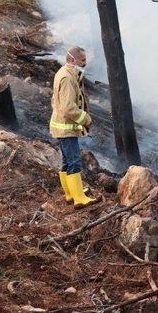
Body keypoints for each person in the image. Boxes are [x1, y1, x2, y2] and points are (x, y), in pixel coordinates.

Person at [49, 46, 98, 208]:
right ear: (72, 60)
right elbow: (69, 107)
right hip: (66, 128)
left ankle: (71, 194)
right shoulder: (68, 78)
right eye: (82, 60)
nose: (85, 64)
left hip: (61, 126)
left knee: (66, 161)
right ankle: (79, 198)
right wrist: (85, 118)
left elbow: (56, 101)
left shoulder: (64, 73)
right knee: (74, 162)